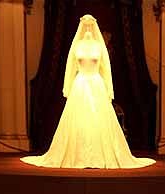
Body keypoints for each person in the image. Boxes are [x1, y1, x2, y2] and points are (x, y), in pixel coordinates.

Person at [21, 14, 155, 169]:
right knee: (78, 120)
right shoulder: (76, 47)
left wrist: (108, 89)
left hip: (96, 84)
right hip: (80, 84)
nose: (88, 27)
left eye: (91, 24)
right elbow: (70, 68)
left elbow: (106, 69)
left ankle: (100, 155)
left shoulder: (99, 47)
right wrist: (68, 88)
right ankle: (78, 155)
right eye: (85, 24)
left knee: (99, 120)